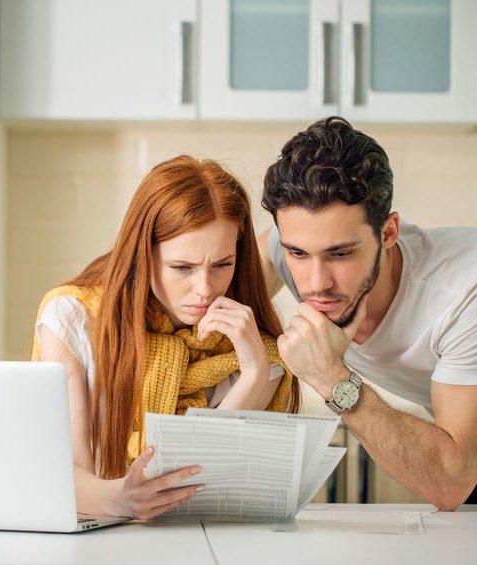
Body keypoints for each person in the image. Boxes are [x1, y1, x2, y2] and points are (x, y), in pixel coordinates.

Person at [32, 155, 299, 520]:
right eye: (182, 268)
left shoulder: (253, 346)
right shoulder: (73, 318)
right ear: (142, 255)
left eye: (222, 264)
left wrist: (254, 374)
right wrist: (121, 499)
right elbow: (66, 476)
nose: (204, 289)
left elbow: (202, 472)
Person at [258, 116, 477, 510]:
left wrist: (329, 376)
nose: (315, 283)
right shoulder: (291, 242)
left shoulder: (463, 296)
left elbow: (452, 481)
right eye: (298, 253)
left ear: (388, 233)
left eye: (340, 254)